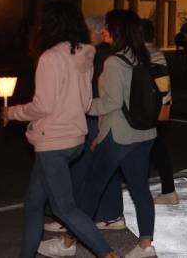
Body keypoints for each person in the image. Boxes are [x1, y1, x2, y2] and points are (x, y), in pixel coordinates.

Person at [40, 9, 159, 258]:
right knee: (140, 190)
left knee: (91, 190)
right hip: (144, 134)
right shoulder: (141, 57)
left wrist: (81, 104)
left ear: (118, 30)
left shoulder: (114, 62)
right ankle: (146, 246)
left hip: (119, 137)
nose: (104, 29)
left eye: (109, 26)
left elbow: (110, 104)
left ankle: (68, 244)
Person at [4, 2, 119, 258]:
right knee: (34, 204)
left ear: (52, 25)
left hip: (52, 141)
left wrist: (11, 112)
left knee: (64, 208)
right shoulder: (84, 55)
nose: (40, 27)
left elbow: (42, 106)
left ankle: (108, 254)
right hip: (74, 139)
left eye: (44, 22)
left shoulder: (50, 57)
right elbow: (87, 102)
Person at [44, 15, 126, 234]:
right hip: (101, 117)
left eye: (86, 29)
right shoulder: (104, 53)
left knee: (82, 168)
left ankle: (71, 217)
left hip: (94, 116)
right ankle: (110, 214)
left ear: (98, 31)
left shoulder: (94, 55)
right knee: (101, 168)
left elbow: (95, 92)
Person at [141, 19, 178, 206]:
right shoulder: (157, 53)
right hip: (162, 109)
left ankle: (167, 191)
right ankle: (167, 190)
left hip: (153, 111)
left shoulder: (146, 55)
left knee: (154, 151)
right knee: (155, 150)